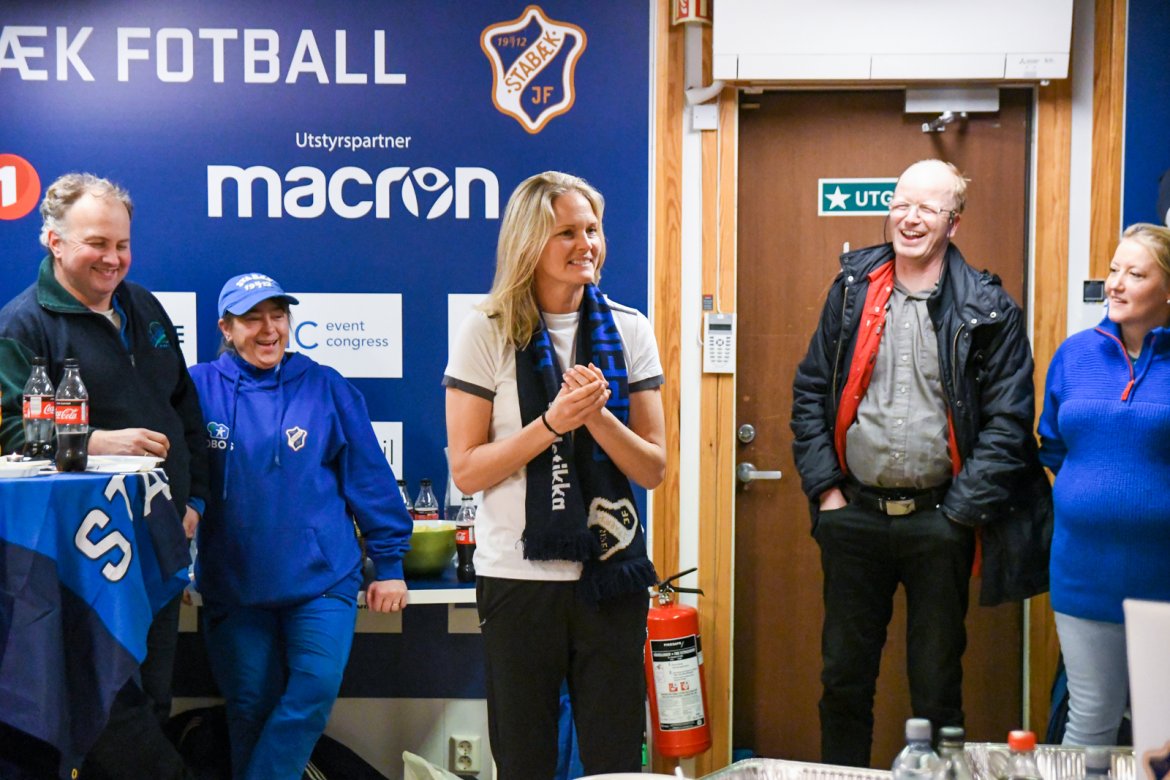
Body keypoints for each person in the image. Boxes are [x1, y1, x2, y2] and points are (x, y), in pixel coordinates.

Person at [790, 159, 1052, 767]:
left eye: (928, 209)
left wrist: (959, 515)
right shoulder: (851, 290)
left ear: (952, 223)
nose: (910, 219)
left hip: (941, 521)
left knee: (937, 688)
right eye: (902, 204)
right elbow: (810, 392)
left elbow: (1009, 424)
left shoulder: (989, 308)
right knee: (843, 680)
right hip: (853, 515)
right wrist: (827, 492)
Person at [444, 171, 666, 778]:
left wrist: (596, 418)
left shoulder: (629, 328)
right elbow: (466, 470)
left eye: (592, 229)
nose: (586, 244)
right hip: (518, 580)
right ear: (529, 243)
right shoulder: (488, 329)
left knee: (615, 759)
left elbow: (652, 468)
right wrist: (551, 423)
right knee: (524, 761)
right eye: (566, 232)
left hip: (610, 578)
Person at [0, 173, 208, 779]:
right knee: (109, 718)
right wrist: (93, 441)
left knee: (155, 700)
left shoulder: (143, 306)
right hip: (83, 562)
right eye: (96, 243)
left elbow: (184, 409)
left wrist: (194, 499)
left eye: (122, 244)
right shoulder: (23, 325)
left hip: (159, 541)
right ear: (54, 241)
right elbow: (9, 433)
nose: (112, 258)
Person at [188, 272, 412, 780]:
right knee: (249, 707)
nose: (269, 329)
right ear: (226, 328)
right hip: (234, 583)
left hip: (322, 579)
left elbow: (369, 478)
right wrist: (173, 562)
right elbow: (178, 483)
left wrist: (390, 565)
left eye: (278, 315)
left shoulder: (324, 385)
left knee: (313, 691)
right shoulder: (198, 387)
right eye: (252, 319)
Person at [1038, 223, 1170, 745]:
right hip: (1083, 570)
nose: (1115, 283)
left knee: (1160, 728)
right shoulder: (1075, 355)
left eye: (1135, 274)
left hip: (1161, 574)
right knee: (1090, 715)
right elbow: (1053, 444)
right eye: (1114, 269)